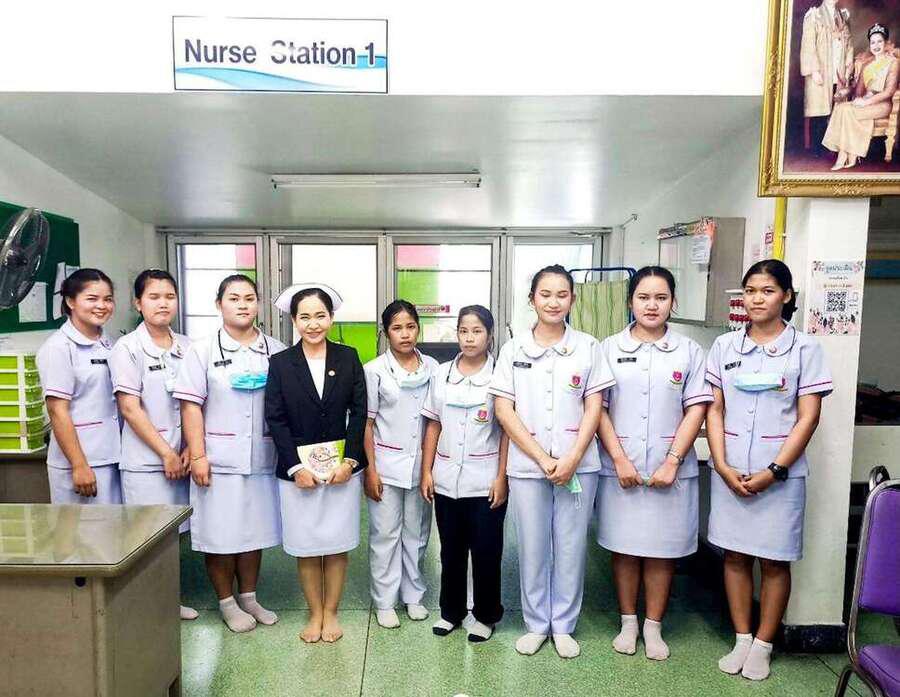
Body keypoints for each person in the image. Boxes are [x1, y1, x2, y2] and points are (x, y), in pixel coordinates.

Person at [706, 260, 832, 681]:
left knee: (775, 562)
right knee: (734, 555)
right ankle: (742, 638)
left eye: (767, 290)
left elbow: (808, 418)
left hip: (779, 476)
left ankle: (763, 644)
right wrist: (721, 464)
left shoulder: (805, 349)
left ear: (786, 295)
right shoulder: (725, 347)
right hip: (731, 470)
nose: (756, 299)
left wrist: (775, 470)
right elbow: (715, 409)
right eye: (750, 291)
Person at [489, 264, 615, 659]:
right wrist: (543, 458)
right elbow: (504, 410)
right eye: (545, 294)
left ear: (572, 299)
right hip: (529, 468)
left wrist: (573, 457)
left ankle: (563, 625)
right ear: (532, 299)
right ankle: (536, 624)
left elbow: (595, 406)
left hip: (580, 466)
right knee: (532, 546)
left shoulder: (589, 347)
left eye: (562, 294)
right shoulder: (513, 349)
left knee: (571, 545)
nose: (553, 302)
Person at [595, 266, 712, 660]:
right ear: (630, 301)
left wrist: (673, 461)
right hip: (621, 467)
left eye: (661, 298)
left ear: (673, 303)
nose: (651, 305)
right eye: (643, 297)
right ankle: (628, 622)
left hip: (671, 468)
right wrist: (619, 458)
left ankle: (653, 626)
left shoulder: (689, 351)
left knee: (662, 550)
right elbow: (598, 409)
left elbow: (696, 409)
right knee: (625, 548)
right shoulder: (608, 348)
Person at [173, 274, 285, 633]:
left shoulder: (276, 350)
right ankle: (226, 603)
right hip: (217, 459)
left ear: (258, 304)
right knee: (220, 535)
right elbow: (190, 406)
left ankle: (249, 597)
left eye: (249, 298)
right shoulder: (202, 350)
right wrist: (198, 455)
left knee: (254, 532)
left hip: (262, 457)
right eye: (234, 298)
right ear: (219, 304)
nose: (242, 305)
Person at [265, 283, 368, 644]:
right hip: (300, 473)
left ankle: (332, 612)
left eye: (320, 316)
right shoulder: (280, 363)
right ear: (294, 320)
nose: (313, 324)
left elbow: (359, 412)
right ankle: (314, 613)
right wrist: (296, 467)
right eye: (305, 317)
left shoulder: (348, 357)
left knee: (337, 543)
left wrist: (350, 461)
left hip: (341, 470)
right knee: (306, 544)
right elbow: (275, 418)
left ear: (331, 318)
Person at [109, 268, 197, 621]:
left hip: (182, 456)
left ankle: (168, 598)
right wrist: (166, 453)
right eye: (154, 297)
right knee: (148, 536)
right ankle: (151, 607)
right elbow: (130, 408)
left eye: (169, 296)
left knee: (175, 535)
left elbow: (196, 402)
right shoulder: (128, 348)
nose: (163, 303)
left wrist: (190, 448)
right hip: (147, 461)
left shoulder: (188, 346)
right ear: (138, 303)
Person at [420, 305, 509, 642]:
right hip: (445, 479)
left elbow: (507, 432)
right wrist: (427, 471)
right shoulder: (441, 373)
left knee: (486, 551)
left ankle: (486, 616)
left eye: (477, 331)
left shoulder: (501, 374)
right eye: (463, 331)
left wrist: (502, 478)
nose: (470, 338)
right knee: (450, 551)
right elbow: (433, 424)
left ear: (489, 335)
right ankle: (451, 612)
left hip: (485, 480)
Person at [363, 300, 438, 629]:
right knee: (385, 534)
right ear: (386, 332)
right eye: (397, 328)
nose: (405, 334)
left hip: (422, 465)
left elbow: (435, 421)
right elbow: (366, 424)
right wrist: (370, 470)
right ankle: (384, 600)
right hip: (385, 464)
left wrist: (429, 470)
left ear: (418, 328)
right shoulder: (374, 370)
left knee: (417, 533)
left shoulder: (433, 368)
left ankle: (413, 596)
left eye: (410, 327)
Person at [37, 268, 122, 504]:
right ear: (70, 301)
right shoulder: (58, 348)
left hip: (112, 455)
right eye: (92, 299)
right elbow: (57, 410)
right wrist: (79, 465)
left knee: (115, 526)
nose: (102, 306)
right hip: (82, 460)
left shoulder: (111, 343)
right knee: (83, 527)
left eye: (108, 299)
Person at [823, 23, 899, 169]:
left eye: (879, 41)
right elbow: (858, 91)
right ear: (870, 45)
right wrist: (847, 91)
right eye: (873, 42)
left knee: (847, 110)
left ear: (885, 43)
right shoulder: (866, 65)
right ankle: (850, 154)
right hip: (866, 101)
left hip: (882, 105)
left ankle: (843, 156)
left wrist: (866, 102)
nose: (876, 46)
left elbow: (889, 91)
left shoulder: (893, 63)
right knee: (841, 108)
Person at [800, 0, 853, 124]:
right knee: (820, 113)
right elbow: (808, 45)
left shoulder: (843, 17)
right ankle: (818, 136)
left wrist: (848, 65)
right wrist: (814, 71)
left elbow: (849, 44)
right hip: (822, 71)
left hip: (838, 71)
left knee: (837, 113)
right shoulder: (814, 15)